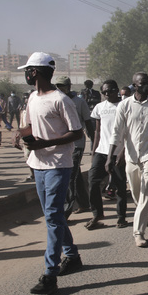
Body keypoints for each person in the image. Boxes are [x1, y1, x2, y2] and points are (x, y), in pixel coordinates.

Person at [17, 52, 83, 295]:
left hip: (58, 164)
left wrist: (44, 144)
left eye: (28, 70)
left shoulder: (61, 100)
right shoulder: (33, 97)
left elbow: (77, 133)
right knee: (52, 215)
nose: (25, 74)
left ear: (35, 71)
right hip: (38, 164)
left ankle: (50, 274)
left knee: (53, 216)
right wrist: (21, 135)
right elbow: (32, 126)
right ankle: (72, 256)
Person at [108, 72, 148, 248]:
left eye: (147, 83)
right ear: (134, 86)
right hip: (131, 157)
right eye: (142, 83)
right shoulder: (124, 105)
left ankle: (139, 232)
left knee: (145, 191)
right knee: (137, 194)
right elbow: (117, 132)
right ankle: (141, 211)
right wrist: (110, 157)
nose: (146, 86)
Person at [85, 80, 128, 230]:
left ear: (116, 90)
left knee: (120, 186)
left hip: (118, 152)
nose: (106, 94)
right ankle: (97, 214)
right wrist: (94, 150)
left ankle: (121, 217)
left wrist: (123, 152)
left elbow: (129, 132)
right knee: (93, 181)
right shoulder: (99, 107)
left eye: (109, 91)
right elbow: (97, 131)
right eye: (104, 92)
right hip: (102, 151)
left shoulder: (124, 106)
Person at [55, 77, 91, 217]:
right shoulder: (57, 101)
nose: (61, 89)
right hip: (63, 144)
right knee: (75, 175)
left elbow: (88, 122)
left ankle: (65, 212)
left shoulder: (79, 102)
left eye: (63, 86)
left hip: (77, 144)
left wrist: (94, 142)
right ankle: (84, 203)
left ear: (69, 86)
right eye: (59, 86)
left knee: (69, 176)